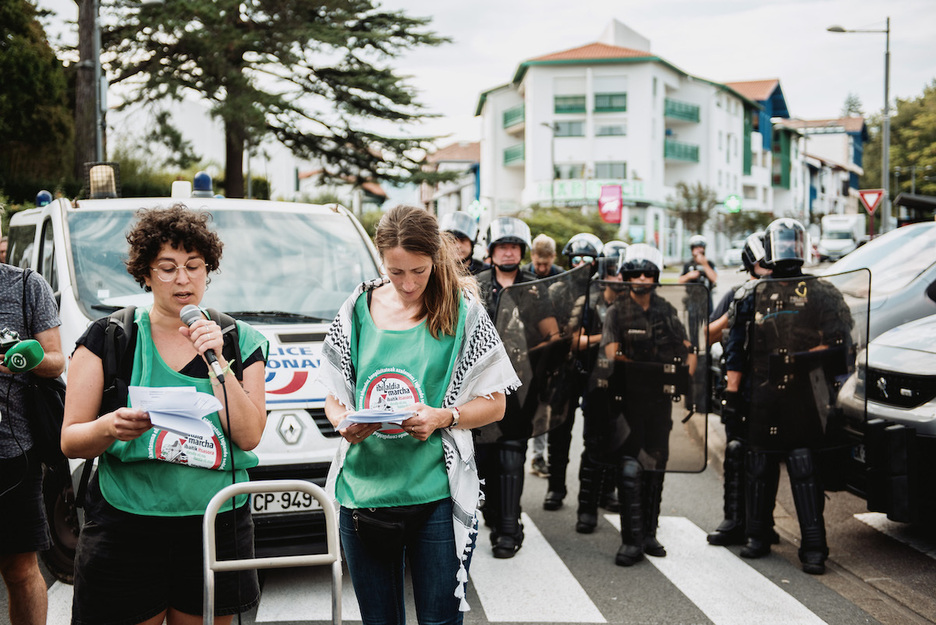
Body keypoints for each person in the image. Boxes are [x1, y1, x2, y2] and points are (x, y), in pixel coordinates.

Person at [63, 205, 269, 625]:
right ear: (145, 273)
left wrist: (218, 362)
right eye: (167, 267)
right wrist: (109, 426)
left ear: (208, 270)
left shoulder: (236, 339)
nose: (183, 279)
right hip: (127, 525)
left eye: (194, 266)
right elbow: (70, 438)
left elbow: (249, 436)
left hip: (215, 522)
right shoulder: (110, 338)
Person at [320, 205, 517, 624]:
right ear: (380, 261)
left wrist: (442, 417)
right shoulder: (356, 308)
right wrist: (343, 423)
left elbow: (495, 403)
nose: (408, 284)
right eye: (395, 272)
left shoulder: (463, 312)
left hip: (435, 496)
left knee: (440, 621)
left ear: (436, 259)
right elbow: (333, 394)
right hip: (363, 495)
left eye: (419, 271)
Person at [723, 218, 853, 575]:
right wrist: (732, 395)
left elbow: (841, 344)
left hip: (804, 390)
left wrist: (804, 358)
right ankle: (757, 535)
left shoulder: (821, 292)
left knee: (802, 462)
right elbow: (736, 351)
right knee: (760, 462)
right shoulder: (749, 294)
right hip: (761, 391)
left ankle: (814, 546)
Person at [601, 244, 695, 567]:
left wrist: (683, 368)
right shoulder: (617, 311)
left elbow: (687, 351)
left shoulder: (667, 311)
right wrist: (648, 364)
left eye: (648, 273)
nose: (642, 278)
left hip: (660, 402)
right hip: (626, 401)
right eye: (635, 272)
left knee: (655, 466)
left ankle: (649, 533)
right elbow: (612, 355)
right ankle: (630, 540)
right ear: (626, 276)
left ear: (656, 277)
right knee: (630, 467)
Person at [475, 217, 559, 558]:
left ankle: (509, 530)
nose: (508, 252)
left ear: (521, 251)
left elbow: (553, 335)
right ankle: (495, 515)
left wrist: (532, 355)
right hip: (478, 387)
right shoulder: (475, 284)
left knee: (511, 456)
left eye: (513, 246)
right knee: (484, 459)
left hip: (520, 389)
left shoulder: (535, 288)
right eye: (502, 246)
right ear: (492, 251)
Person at [705, 231, 779, 547]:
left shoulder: (787, 292)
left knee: (769, 457)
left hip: (773, 389)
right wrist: (736, 312)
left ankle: (764, 522)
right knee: (736, 453)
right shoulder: (736, 293)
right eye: (763, 261)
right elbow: (706, 335)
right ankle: (734, 520)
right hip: (740, 386)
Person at [0, 266, 65, 625]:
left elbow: (56, 361)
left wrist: (30, 359)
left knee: (20, 569)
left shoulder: (26, 286)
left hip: (14, 453)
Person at [568, 240, 628, 533]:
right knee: (594, 446)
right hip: (595, 382)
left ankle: (608, 494)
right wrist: (604, 337)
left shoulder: (635, 304)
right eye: (612, 270)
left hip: (627, 385)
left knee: (621, 444)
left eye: (621, 271)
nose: (617, 277)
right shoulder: (589, 301)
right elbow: (574, 341)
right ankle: (586, 508)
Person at [541, 232, 603, 510]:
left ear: (596, 262)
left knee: (597, 433)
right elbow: (556, 335)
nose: (580, 264)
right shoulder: (558, 289)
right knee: (558, 430)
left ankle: (594, 494)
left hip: (598, 371)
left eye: (587, 259)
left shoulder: (605, 290)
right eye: (575, 259)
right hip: (564, 369)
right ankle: (556, 488)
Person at [678, 234, 718, 316]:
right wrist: (688, 276)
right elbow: (679, 281)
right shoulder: (688, 264)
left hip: (706, 298)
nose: (699, 250)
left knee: (709, 321)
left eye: (701, 247)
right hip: (692, 298)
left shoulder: (709, 263)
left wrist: (705, 264)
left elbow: (714, 278)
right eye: (696, 247)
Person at [438, 211, 488, 275]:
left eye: (463, 240)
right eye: (451, 240)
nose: (458, 246)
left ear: (472, 243)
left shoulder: (486, 272)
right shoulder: (436, 271)